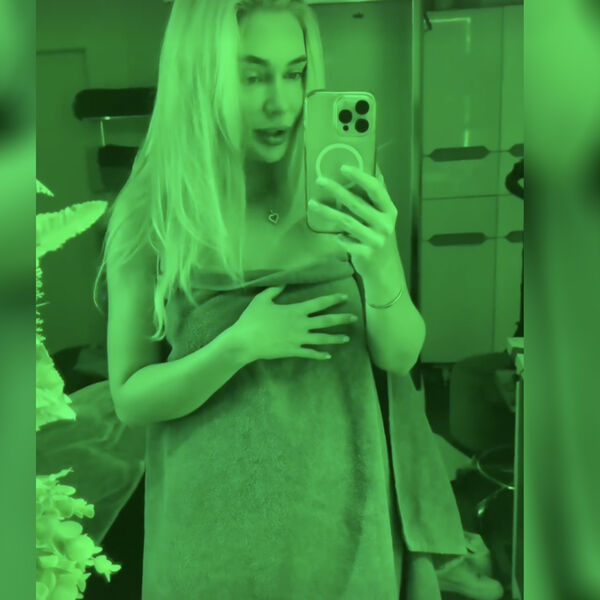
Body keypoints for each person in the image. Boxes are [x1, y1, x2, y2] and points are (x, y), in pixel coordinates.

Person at [95, 1, 465, 597]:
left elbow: (400, 356)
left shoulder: (342, 186)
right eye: (251, 76)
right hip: (214, 532)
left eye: (295, 73)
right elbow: (131, 398)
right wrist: (240, 345)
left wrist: (380, 264)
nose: (281, 102)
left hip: (347, 517)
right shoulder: (154, 210)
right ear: (200, 79)